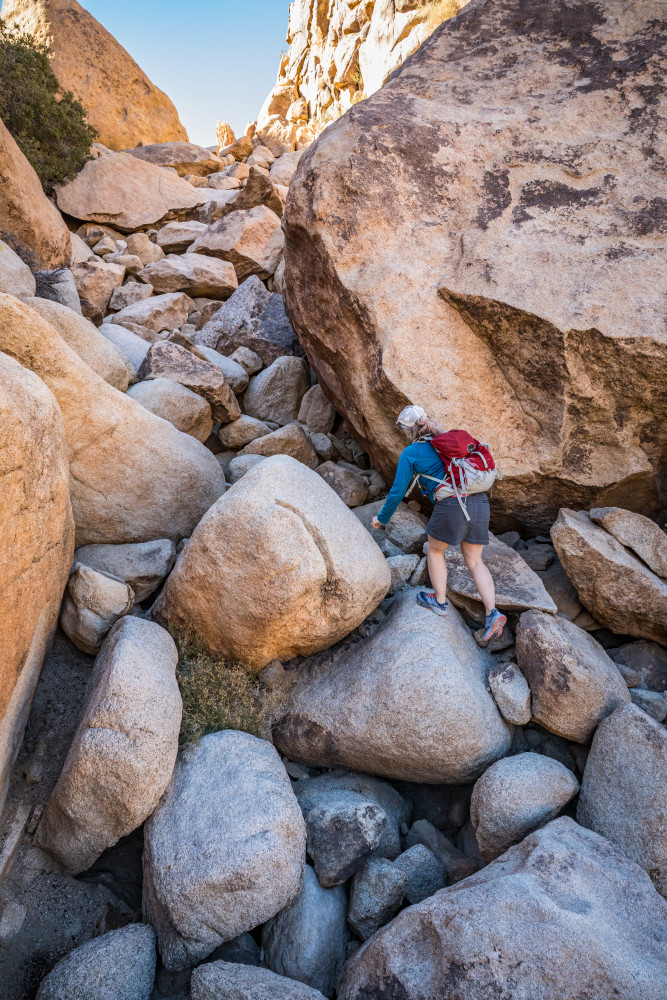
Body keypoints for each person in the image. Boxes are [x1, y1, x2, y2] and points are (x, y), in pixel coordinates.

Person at [371, 404, 506, 643]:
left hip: (453, 505)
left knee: (434, 550)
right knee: (475, 560)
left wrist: (381, 519)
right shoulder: (449, 443)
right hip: (480, 502)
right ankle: (492, 612)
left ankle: (440, 601)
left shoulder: (411, 453)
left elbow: (397, 491)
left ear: (409, 431)